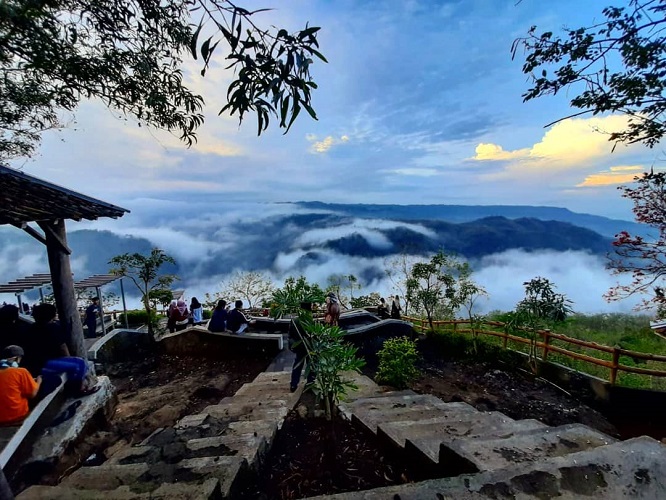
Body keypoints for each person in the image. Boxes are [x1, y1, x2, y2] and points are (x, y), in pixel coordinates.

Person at [22, 303, 69, 378]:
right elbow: (63, 348)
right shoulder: (54, 328)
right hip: (50, 363)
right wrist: (69, 360)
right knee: (80, 363)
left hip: (34, 365)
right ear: (52, 315)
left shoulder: (29, 329)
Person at [0, 345, 41, 426]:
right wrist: (39, 381)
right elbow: (32, 394)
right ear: (16, 358)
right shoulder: (21, 372)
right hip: (17, 417)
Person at [289, 303, 316, 393]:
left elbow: (290, 335)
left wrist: (291, 345)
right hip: (309, 346)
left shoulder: (294, 321)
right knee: (311, 365)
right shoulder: (310, 320)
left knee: (297, 365)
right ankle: (310, 383)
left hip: (299, 346)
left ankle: (293, 384)